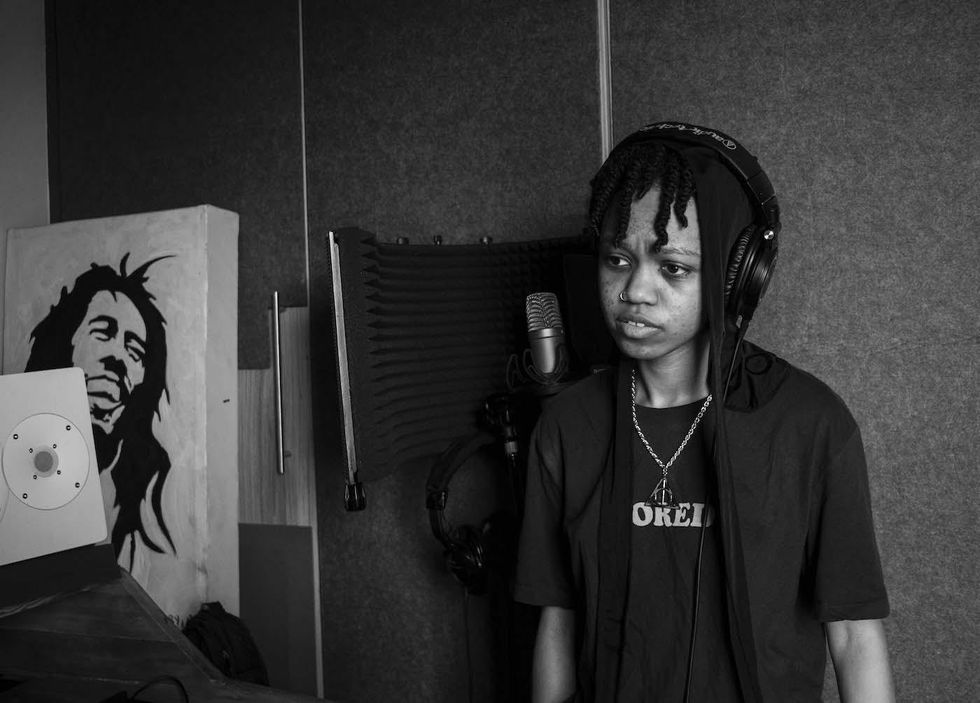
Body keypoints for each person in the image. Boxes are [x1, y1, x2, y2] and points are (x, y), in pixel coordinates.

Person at [512, 122, 894, 702]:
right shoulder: (566, 427)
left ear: (736, 278)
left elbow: (854, 638)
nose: (635, 289)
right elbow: (558, 624)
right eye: (618, 259)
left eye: (673, 267)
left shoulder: (813, 426)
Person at [25, 253, 174, 569]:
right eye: (103, 331)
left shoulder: (142, 502)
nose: (118, 356)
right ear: (68, 340)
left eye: (135, 350)